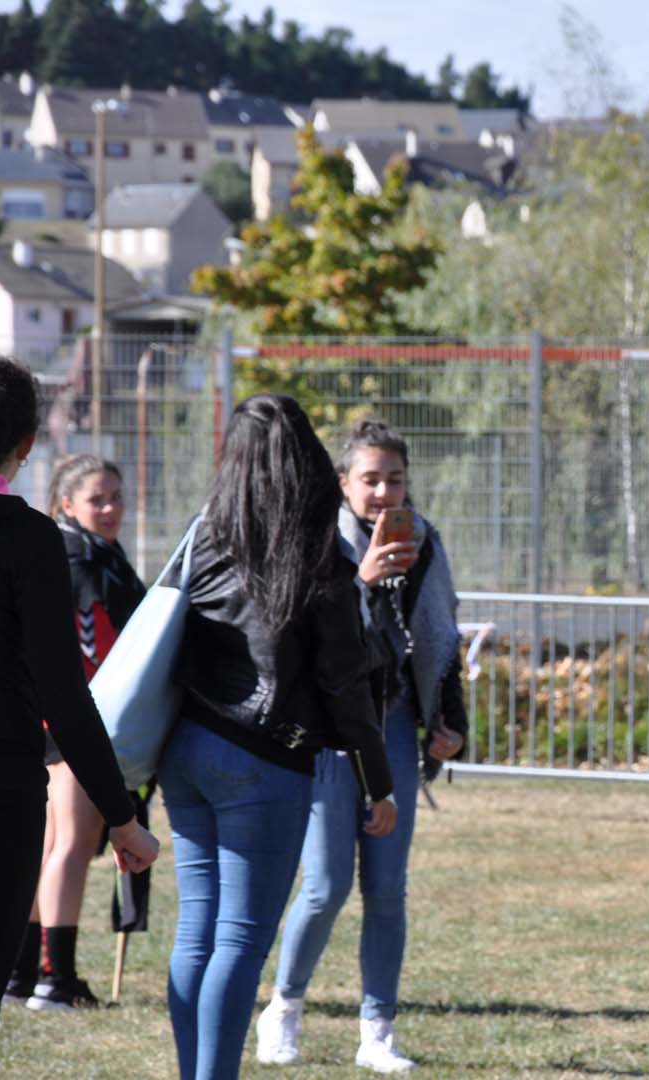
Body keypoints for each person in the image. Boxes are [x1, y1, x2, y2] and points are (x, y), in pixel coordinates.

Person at [160, 393, 398, 1080]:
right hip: (263, 760)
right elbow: (344, 684)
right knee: (237, 937)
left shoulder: (205, 533)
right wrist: (375, 781)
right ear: (307, 463)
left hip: (188, 747)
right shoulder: (314, 552)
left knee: (198, 932)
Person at [257, 418, 467, 1073]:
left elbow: (439, 637)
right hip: (327, 736)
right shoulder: (318, 541)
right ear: (344, 483)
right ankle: (283, 1010)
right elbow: (301, 637)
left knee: (387, 887)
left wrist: (448, 718)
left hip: (394, 726)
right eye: (370, 479)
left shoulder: (424, 541)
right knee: (324, 885)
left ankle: (377, 1031)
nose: (384, 493)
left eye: (395, 480)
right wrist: (363, 582)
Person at [0, 356, 160, 1073]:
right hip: (0, 787)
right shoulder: (29, 539)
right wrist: (121, 818)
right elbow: (64, 691)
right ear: (27, 447)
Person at [5, 456, 147, 1011]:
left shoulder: (96, 553)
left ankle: (22, 973)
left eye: (117, 496)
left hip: (60, 718)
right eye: (97, 499)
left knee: (53, 845)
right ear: (67, 504)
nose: (110, 508)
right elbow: (94, 649)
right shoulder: (79, 560)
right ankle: (55, 979)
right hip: (72, 723)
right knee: (70, 843)